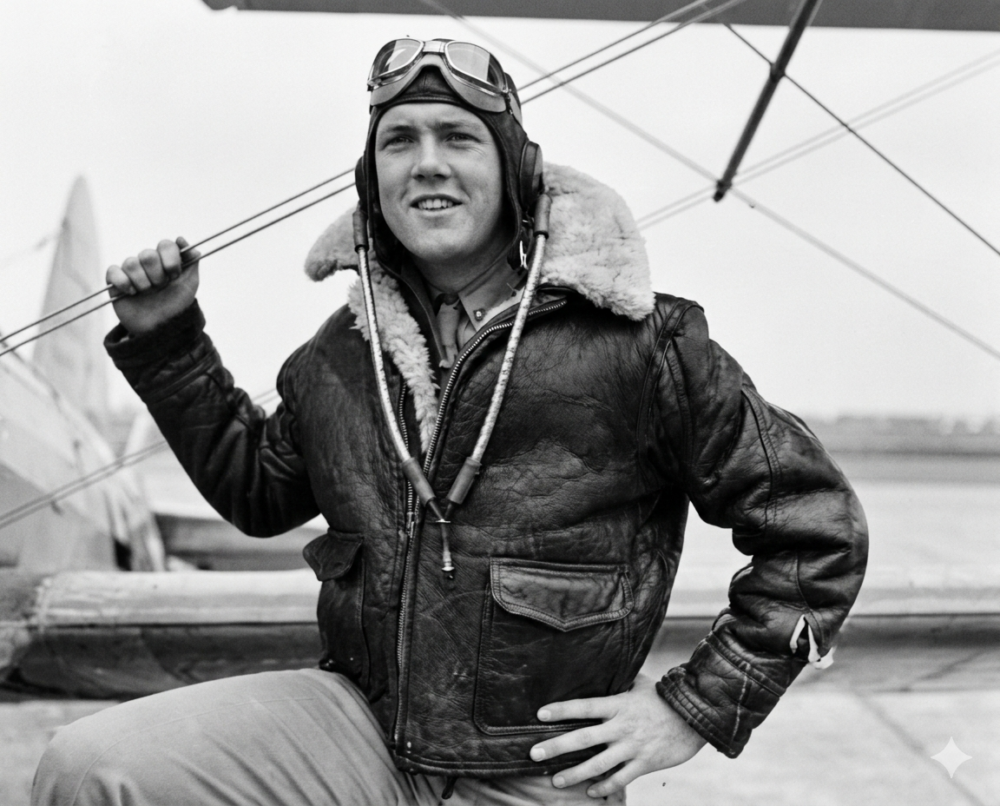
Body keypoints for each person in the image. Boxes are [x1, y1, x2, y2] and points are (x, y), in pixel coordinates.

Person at [33, 38, 868, 806]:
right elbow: (257, 493)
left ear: (511, 170)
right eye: (399, 141)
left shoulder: (644, 342)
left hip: (538, 764)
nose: (426, 163)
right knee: (91, 767)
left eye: (457, 138)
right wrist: (168, 338)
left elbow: (816, 531)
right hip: (359, 727)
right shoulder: (342, 355)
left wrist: (693, 707)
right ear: (373, 178)